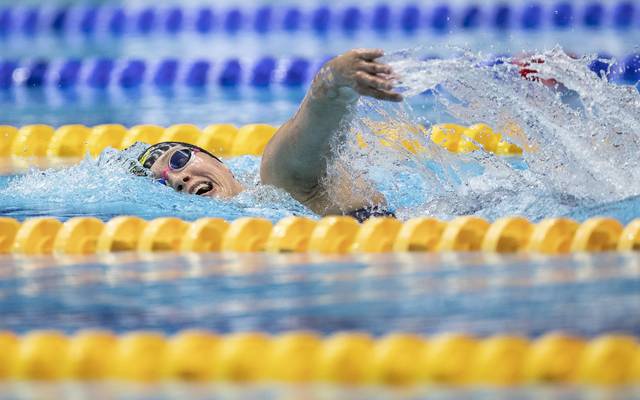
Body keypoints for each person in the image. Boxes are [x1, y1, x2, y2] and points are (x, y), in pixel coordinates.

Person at [135, 49, 402, 221]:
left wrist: (333, 81)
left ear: (216, 160)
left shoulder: (278, 179)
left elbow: (310, 126)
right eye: (163, 185)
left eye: (178, 160)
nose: (179, 180)